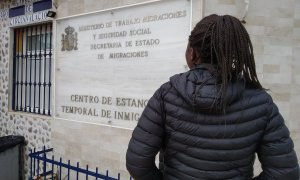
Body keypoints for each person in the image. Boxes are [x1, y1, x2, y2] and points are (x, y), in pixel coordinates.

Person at [126, 14, 299, 180]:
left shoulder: (166, 95)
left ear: (192, 54)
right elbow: (285, 173)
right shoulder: (261, 102)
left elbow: (137, 162)